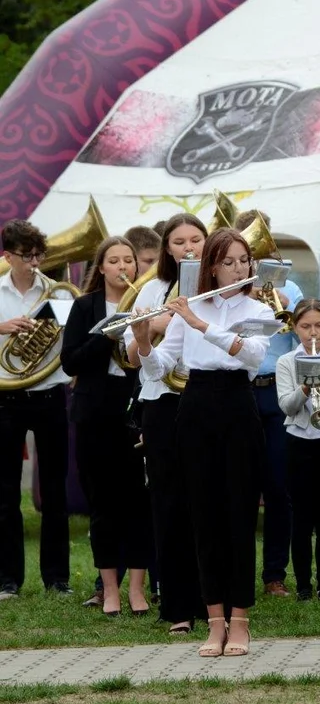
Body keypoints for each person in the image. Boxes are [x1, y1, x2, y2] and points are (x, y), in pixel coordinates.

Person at [132, 228, 275, 658]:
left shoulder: (257, 307)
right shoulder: (189, 305)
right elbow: (160, 368)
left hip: (237, 406)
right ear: (211, 267)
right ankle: (215, 623)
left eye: (243, 261)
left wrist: (198, 322)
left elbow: (250, 355)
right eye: (229, 262)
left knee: (238, 516)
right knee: (203, 518)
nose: (238, 268)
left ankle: (241, 622)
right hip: (194, 409)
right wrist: (142, 340)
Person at [123, 212, 207, 634]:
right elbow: (131, 358)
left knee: (208, 504)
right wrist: (151, 329)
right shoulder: (150, 290)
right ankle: (177, 606)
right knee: (169, 504)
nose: (188, 247)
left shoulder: (218, 290)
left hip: (208, 402)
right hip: (163, 403)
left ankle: (215, 600)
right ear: (167, 249)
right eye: (179, 242)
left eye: (196, 239)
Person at [61, 236, 151, 616]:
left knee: (139, 503)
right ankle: (109, 589)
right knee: (102, 505)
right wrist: (106, 335)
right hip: (95, 412)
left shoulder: (148, 304)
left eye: (128, 260)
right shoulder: (85, 307)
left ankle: (137, 589)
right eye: (113, 261)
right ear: (101, 268)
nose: (122, 267)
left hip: (134, 410)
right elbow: (70, 362)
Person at [0, 219, 72, 601]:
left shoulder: (58, 292)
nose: (33, 262)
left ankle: (57, 578)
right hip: (6, 399)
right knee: (6, 492)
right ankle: (8, 579)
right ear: (7, 255)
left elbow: (69, 340)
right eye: (25, 256)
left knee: (55, 490)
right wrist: (2, 328)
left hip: (48, 395)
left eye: (38, 255)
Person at [234, 208, 303, 599]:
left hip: (276, 388)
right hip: (241, 390)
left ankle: (274, 573)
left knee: (279, 486)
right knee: (240, 485)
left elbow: (301, 343)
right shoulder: (227, 290)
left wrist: (286, 313)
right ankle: (239, 569)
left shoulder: (286, 288)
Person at [276, 299, 320, 603]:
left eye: (319, 325)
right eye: (305, 326)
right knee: (302, 517)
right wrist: (305, 387)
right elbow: (287, 406)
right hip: (299, 441)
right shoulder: (286, 362)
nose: (313, 332)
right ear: (295, 328)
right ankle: (304, 584)